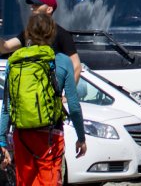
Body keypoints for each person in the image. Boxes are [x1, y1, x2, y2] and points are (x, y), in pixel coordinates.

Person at [0, 12, 86, 186]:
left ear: (27, 34)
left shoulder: (14, 61)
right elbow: (74, 105)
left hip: (21, 134)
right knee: (49, 181)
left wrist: (2, 139)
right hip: (50, 136)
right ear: (52, 33)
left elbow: (7, 106)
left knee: (25, 182)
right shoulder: (61, 61)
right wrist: (81, 137)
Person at [1, 0, 81, 83]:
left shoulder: (62, 34)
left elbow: (76, 66)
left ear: (49, 9)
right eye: (32, 5)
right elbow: (5, 47)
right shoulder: (28, 32)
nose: (32, 8)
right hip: (29, 91)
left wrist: (66, 95)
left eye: (37, 5)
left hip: (50, 94)